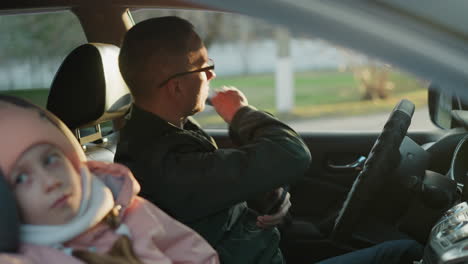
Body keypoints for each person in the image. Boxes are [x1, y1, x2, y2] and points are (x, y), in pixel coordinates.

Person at [115, 16, 423, 264]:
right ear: (176, 87)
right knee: (406, 253)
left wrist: (263, 198)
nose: (211, 76)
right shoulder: (164, 160)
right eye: (205, 67)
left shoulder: (170, 132)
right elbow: (291, 154)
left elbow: (221, 187)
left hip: (265, 250)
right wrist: (240, 113)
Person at [0, 95, 219, 264]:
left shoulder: (129, 209)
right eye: (21, 178)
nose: (50, 182)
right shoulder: (30, 256)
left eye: (50, 160)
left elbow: (198, 255)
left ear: (72, 161)